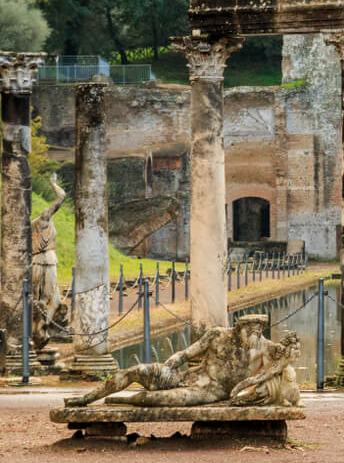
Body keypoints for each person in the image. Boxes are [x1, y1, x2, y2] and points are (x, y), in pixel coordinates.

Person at [64, 315, 269, 407]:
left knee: (156, 400)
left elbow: (280, 363)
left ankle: (120, 401)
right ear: (240, 328)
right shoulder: (217, 335)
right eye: (251, 331)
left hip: (207, 392)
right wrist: (168, 366)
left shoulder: (260, 348)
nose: (255, 337)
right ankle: (87, 398)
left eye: (258, 332)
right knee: (136, 371)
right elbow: (186, 354)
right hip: (186, 377)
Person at [31, 173, 68, 348]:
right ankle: (38, 330)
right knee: (40, 297)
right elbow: (61, 197)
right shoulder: (40, 221)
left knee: (48, 297)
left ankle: (44, 327)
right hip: (41, 261)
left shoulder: (41, 223)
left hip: (48, 260)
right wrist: (53, 183)